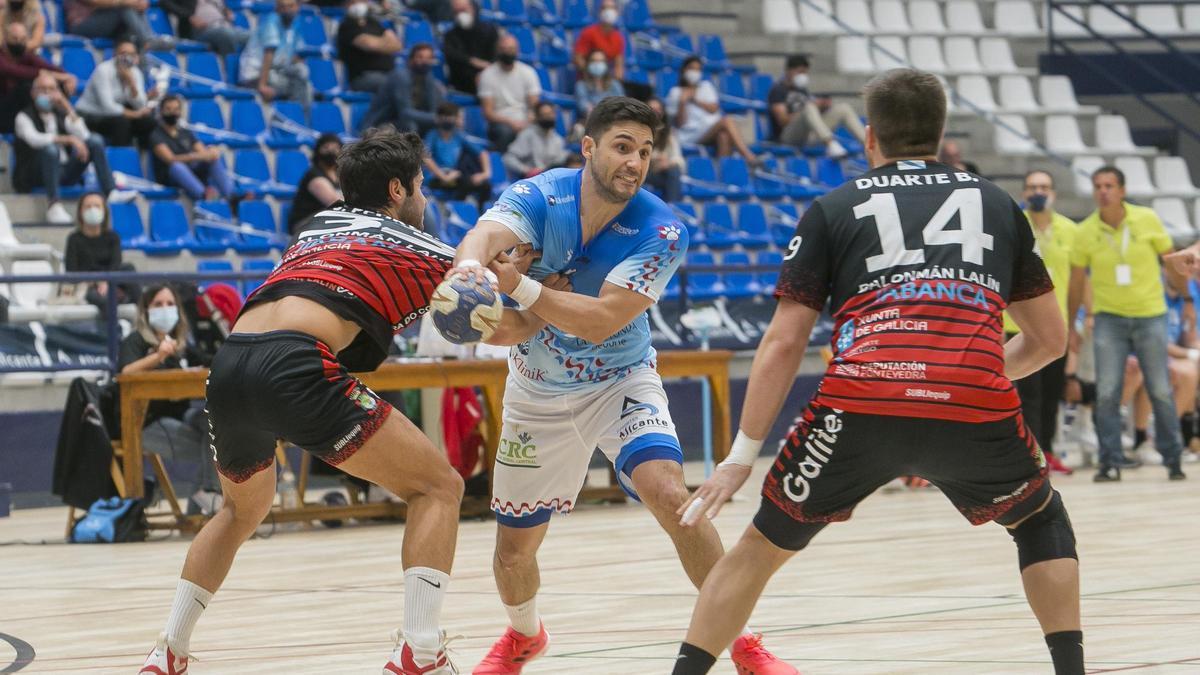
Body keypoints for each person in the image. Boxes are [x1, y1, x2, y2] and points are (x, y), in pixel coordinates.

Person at [670, 69, 1083, 675]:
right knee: (1040, 520)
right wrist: (970, 373)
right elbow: (1050, 339)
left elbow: (784, 343)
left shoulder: (834, 208)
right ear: (941, 136)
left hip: (859, 402)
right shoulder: (997, 203)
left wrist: (740, 456)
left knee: (759, 547)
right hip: (972, 404)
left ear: (870, 139)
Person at [446, 96, 793, 675]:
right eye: (622, 147)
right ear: (589, 148)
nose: (635, 162)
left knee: (671, 497)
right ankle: (524, 636)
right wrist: (467, 278)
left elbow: (604, 317)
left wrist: (524, 289)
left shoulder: (662, 229)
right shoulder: (540, 195)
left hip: (621, 381)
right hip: (537, 392)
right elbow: (483, 241)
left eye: (646, 151)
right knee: (512, 552)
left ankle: (745, 643)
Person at [138, 128, 465, 675]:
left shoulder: (316, 226)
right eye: (421, 187)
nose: (425, 200)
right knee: (438, 488)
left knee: (241, 510)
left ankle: (168, 650)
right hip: (294, 363)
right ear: (397, 190)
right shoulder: (418, 247)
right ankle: (421, 654)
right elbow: (495, 299)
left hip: (230, 362)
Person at [1068, 165, 1188, 482]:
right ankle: (1109, 461)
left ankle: (1173, 457)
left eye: (1109, 185)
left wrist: (1187, 299)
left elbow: (1172, 261)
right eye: (1097, 186)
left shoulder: (1146, 219)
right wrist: (1070, 325)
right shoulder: (1085, 232)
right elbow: (1077, 282)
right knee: (1107, 391)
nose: (1103, 191)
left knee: (1160, 388)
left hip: (1151, 315)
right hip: (1109, 319)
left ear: (1121, 190)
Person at [119, 284, 221, 512]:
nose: (165, 309)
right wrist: (158, 356)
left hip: (182, 418)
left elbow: (213, 362)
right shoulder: (135, 341)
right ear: (145, 310)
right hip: (146, 423)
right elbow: (126, 373)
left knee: (218, 424)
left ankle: (204, 502)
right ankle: (206, 501)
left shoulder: (182, 346)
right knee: (219, 448)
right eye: (158, 305)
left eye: (170, 304)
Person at [1005, 170, 1078, 475]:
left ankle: (1048, 450)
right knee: (1027, 395)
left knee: (1051, 394)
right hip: (1017, 324)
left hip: (1056, 326)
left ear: (1054, 193)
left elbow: (1078, 280)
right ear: (1023, 193)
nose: (1038, 192)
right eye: (1033, 187)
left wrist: (1074, 325)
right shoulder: (1013, 226)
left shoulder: (1070, 230)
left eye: (1044, 187)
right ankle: (1032, 455)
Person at [13, 73, 132, 223]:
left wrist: (66, 105)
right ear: (33, 93)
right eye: (42, 89)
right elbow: (34, 139)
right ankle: (53, 206)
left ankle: (111, 191)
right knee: (50, 149)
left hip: (65, 171)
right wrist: (68, 139)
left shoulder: (61, 113)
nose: (47, 94)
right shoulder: (23, 117)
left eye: (52, 89)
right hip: (36, 174)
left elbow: (84, 134)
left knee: (95, 141)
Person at [767, 54, 864, 159]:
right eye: (800, 72)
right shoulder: (778, 90)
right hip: (788, 136)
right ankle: (831, 144)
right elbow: (782, 120)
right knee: (809, 107)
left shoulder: (802, 90)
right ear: (789, 71)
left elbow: (812, 116)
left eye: (805, 73)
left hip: (809, 134)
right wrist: (808, 109)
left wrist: (822, 107)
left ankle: (869, 145)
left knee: (843, 108)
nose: (803, 76)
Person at [666, 55, 758, 164]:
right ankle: (747, 155)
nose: (695, 72)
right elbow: (680, 124)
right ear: (684, 70)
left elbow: (714, 108)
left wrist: (695, 100)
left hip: (711, 129)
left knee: (723, 136)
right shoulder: (675, 92)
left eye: (698, 69)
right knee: (727, 120)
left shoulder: (706, 86)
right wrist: (682, 102)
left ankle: (723, 172)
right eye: (692, 68)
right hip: (690, 135)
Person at [150, 94, 235, 201]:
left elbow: (202, 151)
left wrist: (211, 151)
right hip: (170, 177)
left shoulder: (185, 132)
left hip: (192, 170)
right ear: (161, 112)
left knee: (213, 159)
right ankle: (204, 195)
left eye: (176, 109)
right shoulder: (156, 135)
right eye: (168, 109)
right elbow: (171, 159)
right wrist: (195, 156)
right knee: (177, 167)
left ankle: (231, 196)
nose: (172, 113)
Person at [75, 39, 158, 148]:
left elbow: (140, 104)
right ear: (115, 54)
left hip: (115, 114)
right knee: (122, 123)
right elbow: (107, 107)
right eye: (124, 53)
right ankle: (120, 159)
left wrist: (131, 83)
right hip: (90, 114)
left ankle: (142, 158)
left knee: (148, 122)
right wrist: (134, 115)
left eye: (131, 54)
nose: (127, 57)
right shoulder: (103, 70)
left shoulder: (135, 72)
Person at [63, 191, 141, 308]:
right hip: (88, 286)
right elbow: (72, 271)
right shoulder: (74, 239)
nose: (92, 210)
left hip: (112, 281)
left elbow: (116, 264)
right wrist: (97, 281)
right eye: (88, 207)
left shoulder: (113, 237)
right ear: (80, 212)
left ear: (104, 211)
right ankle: (115, 323)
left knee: (128, 268)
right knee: (102, 298)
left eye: (97, 206)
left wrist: (106, 281)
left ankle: (141, 312)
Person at [0, 21, 76, 133]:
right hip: (4, 110)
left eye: (22, 39)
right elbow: (16, 72)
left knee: (55, 85)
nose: (18, 42)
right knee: (27, 86)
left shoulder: (25, 55)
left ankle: (60, 125)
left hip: (22, 109)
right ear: (5, 39)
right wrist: (49, 74)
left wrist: (68, 77)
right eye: (15, 38)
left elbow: (49, 67)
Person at [358, 42, 446, 136]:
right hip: (380, 124)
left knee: (442, 128)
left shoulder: (429, 78)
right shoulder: (400, 76)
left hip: (403, 122)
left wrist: (443, 118)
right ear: (410, 60)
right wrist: (436, 118)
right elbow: (405, 112)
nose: (425, 61)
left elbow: (434, 109)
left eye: (429, 58)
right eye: (420, 57)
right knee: (410, 126)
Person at [238, 0, 312, 107]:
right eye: (283, 7)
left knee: (303, 75)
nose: (287, 10)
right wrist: (262, 86)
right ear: (277, 9)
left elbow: (295, 54)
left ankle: (300, 117)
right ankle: (297, 117)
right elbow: (269, 53)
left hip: (275, 72)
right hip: (254, 75)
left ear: (297, 7)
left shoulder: (295, 23)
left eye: (291, 6)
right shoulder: (272, 22)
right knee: (297, 87)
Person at [478, 33, 541, 152]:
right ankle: (501, 167)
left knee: (541, 129)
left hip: (526, 120)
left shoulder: (528, 72)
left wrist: (527, 121)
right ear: (498, 51)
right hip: (500, 122)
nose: (507, 52)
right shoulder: (487, 75)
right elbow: (488, 112)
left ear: (517, 51)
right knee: (504, 132)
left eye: (511, 49)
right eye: (503, 49)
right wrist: (511, 122)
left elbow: (535, 106)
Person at [423, 101, 492, 206]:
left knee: (485, 185)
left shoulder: (458, 135)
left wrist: (485, 173)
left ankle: (479, 211)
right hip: (436, 177)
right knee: (463, 182)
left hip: (454, 176)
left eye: (450, 116)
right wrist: (443, 176)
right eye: (444, 116)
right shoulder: (432, 136)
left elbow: (482, 153)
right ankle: (456, 207)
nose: (447, 119)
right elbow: (425, 157)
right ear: (438, 118)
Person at [337, 0, 403, 94]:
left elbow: (397, 45)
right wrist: (385, 43)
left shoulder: (374, 22)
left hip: (388, 73)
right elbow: (369, 45)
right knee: (393, 84)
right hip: (363, 77)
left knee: (408, 80)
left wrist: (377, 43)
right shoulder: (347, 25)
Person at [286, 132, 343, 235]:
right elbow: (335, 203)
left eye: (335, 148)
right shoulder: (314, 175)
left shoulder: (339, 175)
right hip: (304, 224)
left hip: (326, 221)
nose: (331, 151)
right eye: (326, 148)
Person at [442, 0, 498, 95]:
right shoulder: (450, 35)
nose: (461, 14)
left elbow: (495, 55)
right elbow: (453, 56)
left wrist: (486, 70)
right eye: (457, 11)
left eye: (464, 9)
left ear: (472, 9)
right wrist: (472, 61)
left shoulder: (489, 30)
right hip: (463, 79)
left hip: (489, 73)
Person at [502, 101, 567, 178]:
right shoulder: (528, 135)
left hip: (550, 180)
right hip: (530, 181)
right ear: (537, 117)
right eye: (544, 115)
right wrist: (526, 170)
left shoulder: (558, 139)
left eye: (550, 114)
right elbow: (508, 158)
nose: (548, 118)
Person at [571, 0, 624, 81]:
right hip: (587, 81)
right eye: (605, 8)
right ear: (600, 11)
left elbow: (618, 65)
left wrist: (617, 81)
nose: (609, 11)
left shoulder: (618, 37)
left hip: (607, 82)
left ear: (617, 12)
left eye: (612, 8)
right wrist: (591, 74)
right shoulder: (589, 32)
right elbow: (578, 59)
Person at [64, 0, 156, 46]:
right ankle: (148, 40)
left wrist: (138, 3)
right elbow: (93, 1)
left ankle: (147, 40)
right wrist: (125, 2)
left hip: (102, 21)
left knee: (132, 8)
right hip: (81, 25)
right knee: (124, 7)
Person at [645, 97, 682, 203]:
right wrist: (655, 160)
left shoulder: (668, 133)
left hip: (658, 174)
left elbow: (678, 158)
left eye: (658, 110)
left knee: (673, 171)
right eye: (652, 109)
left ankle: (673, 206)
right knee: (672, 178)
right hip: (642, 172)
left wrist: (668, 163)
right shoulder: (638, 130)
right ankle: (673, 208)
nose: (655, 113)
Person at [574, 48, 624, 119]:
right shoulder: (581, 85)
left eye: (601, 61)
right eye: (594, 61)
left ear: (606, 64)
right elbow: (583, 106)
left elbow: (622, 104)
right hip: (590, 122)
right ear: (588, 64)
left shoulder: (615, 84)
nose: (597, 64)